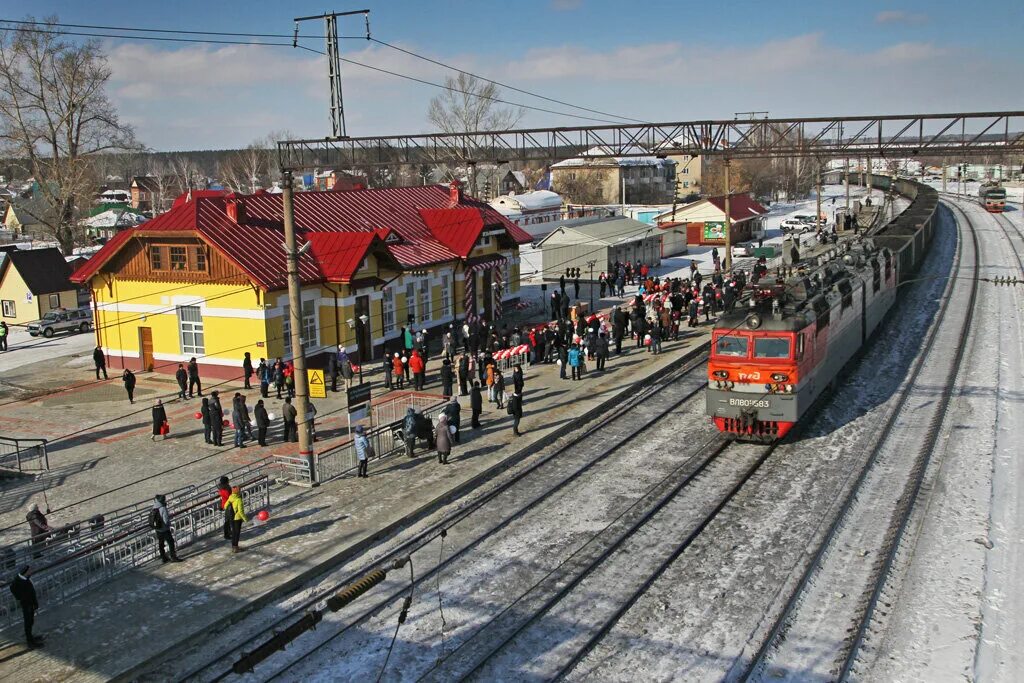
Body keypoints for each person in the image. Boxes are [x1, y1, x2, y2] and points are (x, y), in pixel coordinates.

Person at [10, 566, 41, 647]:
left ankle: (31, 637)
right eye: (30, 570)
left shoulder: (25, 578)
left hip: (31, 602)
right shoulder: (18, 580)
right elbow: (12, 588)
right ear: (26, 572)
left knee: (31, 621)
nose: (31, 571)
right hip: (27, 604)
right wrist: (20, 597)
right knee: (28, 622)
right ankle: (30, 641)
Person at [149, 494, 181, 562]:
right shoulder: (163, 508)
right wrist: (168, 525)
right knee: (171, 542)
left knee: (161, 543)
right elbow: (166, 520)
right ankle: (173, 557)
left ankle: (163, 558)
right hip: (164, 529)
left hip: (157, 529)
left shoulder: (154, 507)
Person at [224, 486, 247, 553]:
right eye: (239, 490)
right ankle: (236, 548)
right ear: (238, 492)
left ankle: (233, 547)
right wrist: (245, 519)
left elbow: (225, 506)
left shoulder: (231, 497)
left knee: (234, 533)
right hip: (237, 518)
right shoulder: (239, 499)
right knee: (237, 533)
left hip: (231, 517)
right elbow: (241, 512)